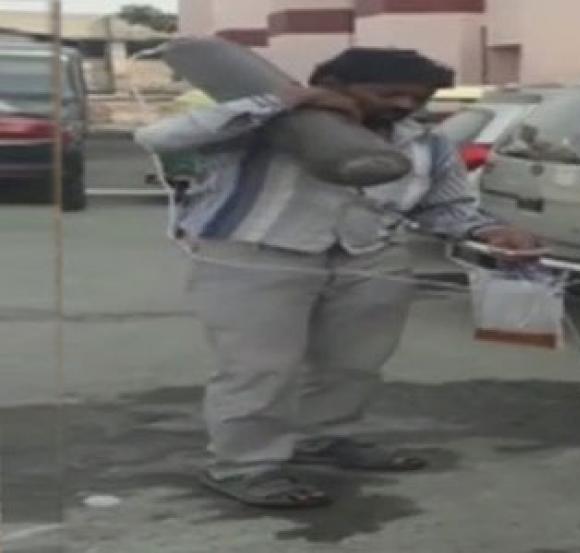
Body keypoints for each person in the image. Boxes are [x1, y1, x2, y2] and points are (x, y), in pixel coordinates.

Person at [134, 48, 536, 509]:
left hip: (371, 256)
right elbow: (158, 138)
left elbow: (447, 207)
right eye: (389, 93)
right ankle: (245, 465)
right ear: (332, 84)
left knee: (353, 362)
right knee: (259, 369)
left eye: (418, 97)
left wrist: (490, 231)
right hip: (255, 253)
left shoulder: (425, 142)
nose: (405, 105)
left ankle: (324, 438)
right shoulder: (266, 124)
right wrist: (281, 103)